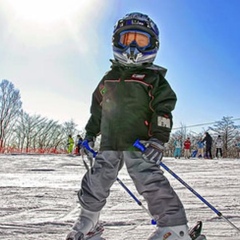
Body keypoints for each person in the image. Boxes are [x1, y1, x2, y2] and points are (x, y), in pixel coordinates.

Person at [66, 12, 201, 240]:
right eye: (127, 39)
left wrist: (158, 139)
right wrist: (89, 135)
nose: (133, 48)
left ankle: (174, 227)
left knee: (148, 180)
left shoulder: (153, 78)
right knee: (97, 178)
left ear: (152, 45)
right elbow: (97, 109)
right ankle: (88, 219)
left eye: (140, 41)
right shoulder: (108, 78)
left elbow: (164, 109)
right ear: (116, 42)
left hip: (140, 141)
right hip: (110, 140)